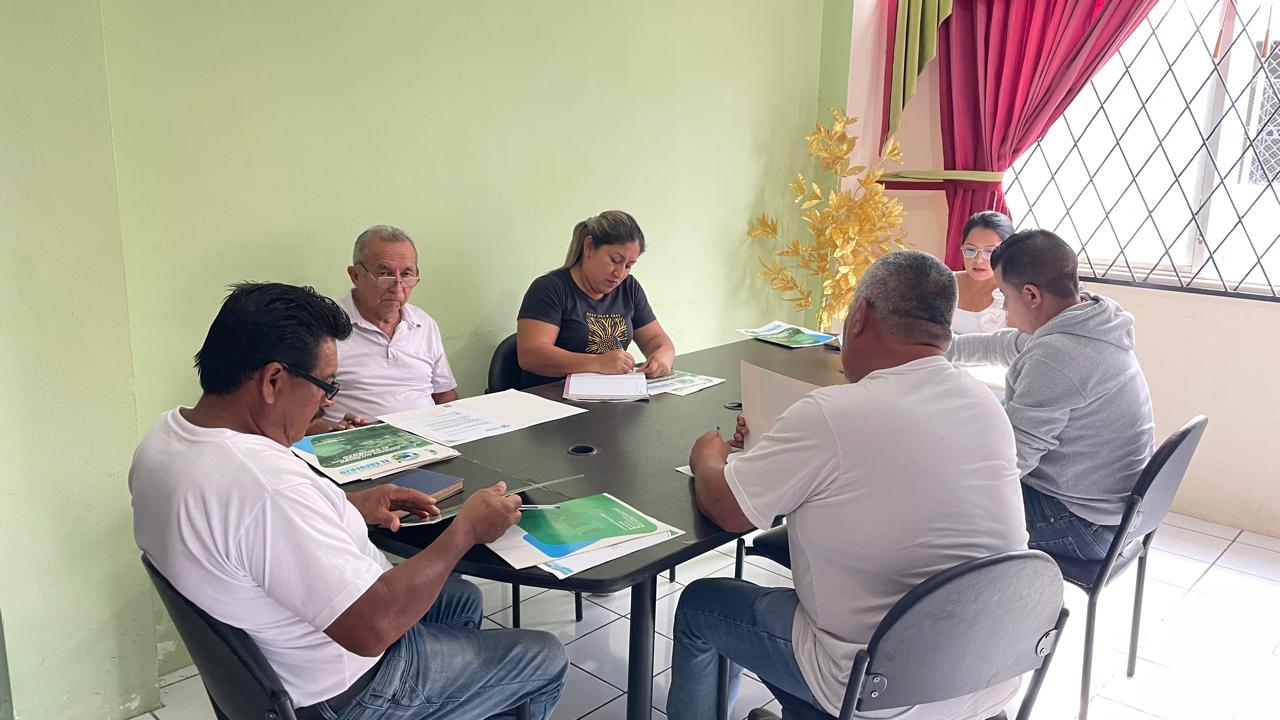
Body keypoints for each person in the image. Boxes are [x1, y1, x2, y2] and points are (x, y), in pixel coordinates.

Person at [130, 282, 568, 720]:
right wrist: (465, 530)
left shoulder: (165, 438)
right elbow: (372, 629)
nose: (328, 402)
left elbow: (252, 536)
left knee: (461, 601)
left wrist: (350, 506)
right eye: (326, 385)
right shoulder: (266, 488)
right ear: (273, 380)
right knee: (544, 656)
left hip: (281, 655)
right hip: (347, 690)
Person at [670, 251, 1029, 720]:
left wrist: (707, 456)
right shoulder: (985, 406)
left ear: (860, 316)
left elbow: (726, 509)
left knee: (702, 604)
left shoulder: (831, 414)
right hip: (988, 675)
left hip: (875, 685)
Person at [947, 229, 1155, 562]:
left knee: (941, 507)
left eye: (1004, 295)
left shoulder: (1059, 355)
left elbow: (1011, 462)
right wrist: (937, 347)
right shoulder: (1088, 319)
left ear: (1031, 295)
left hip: (1084, 523)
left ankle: (980, 594)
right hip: (1115, 511)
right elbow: (1001, 345)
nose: (1004, 307)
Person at [313, 224, 459, 434]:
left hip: (428, 439)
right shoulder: (324, 326)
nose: (398, 288)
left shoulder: (424, 324)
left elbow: (444, 395)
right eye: (384, 274)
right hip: (356, 442)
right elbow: (297, 415)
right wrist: (331, 431)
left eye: (407, 274)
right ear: (355, 275)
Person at [516, 210, 676, 387]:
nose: (620, 273)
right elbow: (531, 355)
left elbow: (656, 339)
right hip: (552, 396)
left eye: (629, 266)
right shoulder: (550, 289)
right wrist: (597, 363)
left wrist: (664, 355)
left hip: (610, 395)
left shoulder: (629, 288)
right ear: (589, 247)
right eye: (615, 260)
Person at [952, 210, 1015, 334]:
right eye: (970, 250)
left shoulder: (1014, 296)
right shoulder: (944, 283)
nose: (978, 260)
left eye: (990, 252)